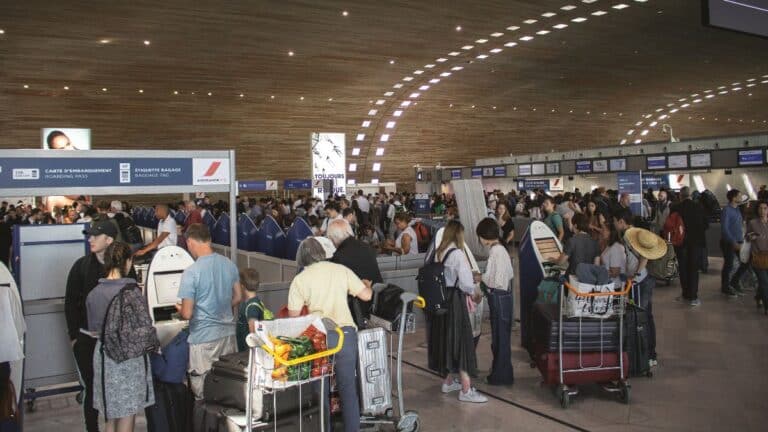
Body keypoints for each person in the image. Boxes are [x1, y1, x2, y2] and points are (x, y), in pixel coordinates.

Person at [288, 238, 373, 432]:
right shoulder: (340, 270)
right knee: (348, 388)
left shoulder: (300, 279)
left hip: (319, 337)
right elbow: (366, 295)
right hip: (346, 335)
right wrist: (366, 284)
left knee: (321, 390)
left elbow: (294, 317)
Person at [87, 242, 155, 432]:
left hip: (103, 357)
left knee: (110, 414)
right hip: (128, 360)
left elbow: (94, 331)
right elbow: (145, 327)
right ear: (128, 261)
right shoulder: (132, 292)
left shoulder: (93, 294)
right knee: (127, 413)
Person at [65, 220, 125, 432]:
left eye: (94, 236)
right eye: (89, 235)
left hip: (116, 342)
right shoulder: (80, 267)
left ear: (108, 240)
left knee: (115, 389)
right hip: (87, 340)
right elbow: (70, 303)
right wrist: (74, 337)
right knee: (92, 388)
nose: (90, 239)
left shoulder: (123, 267)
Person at [175, 224, 242, 399]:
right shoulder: (229, 264)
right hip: (228, 336)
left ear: (189, 242)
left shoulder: (191, 272)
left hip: (203, 340)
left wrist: (180, 309)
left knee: (204, 393)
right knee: (228, 389)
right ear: (209, 240)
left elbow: (187, 314)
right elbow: (238, 297)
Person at [427, 220, 486, 403]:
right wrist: (475, 292)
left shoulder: (440, 253)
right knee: (462, 342)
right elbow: (467, 284)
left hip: (443, 301)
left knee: (448, 341)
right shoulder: (458, 254)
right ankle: (466, 390)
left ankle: (448, 382)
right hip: (456, 302)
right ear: (458, 234)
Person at [618, 213, 663, 367]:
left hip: (640, 282)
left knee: (642, 318)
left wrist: (635, 275)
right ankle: (648, 353)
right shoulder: (636, 234)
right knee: (645, 317)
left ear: (621, 221)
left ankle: (647, 354)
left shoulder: (631, 237)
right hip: (643, 280)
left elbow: (643, 257)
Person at [475, 218, 514, 386]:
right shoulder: (501, 250)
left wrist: (479, 277)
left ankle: (500, 377)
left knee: (499, 339)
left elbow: (493, 280)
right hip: (504, 297)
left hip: (498, 297)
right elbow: (509, 274)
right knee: (501, 338)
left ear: (484, 237)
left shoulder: (495, 251)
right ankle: (503, 373)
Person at [328, 219, 383, 327]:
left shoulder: (339, 256)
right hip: (376, 301)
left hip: (356, 310)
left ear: (333, 239)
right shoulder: (366, 246)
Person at [671, 187, 708, 306]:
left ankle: (685, 293)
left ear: (680, 196)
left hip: (681, 244)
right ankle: (693, 297)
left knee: (683, 268)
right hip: (696, 243)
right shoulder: (699, 207)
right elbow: (706, 225)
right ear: (690, 195)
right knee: (693, 268)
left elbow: (670, 225)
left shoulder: (675, 207)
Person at [721, 189, 748, 297]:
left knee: (746, 262)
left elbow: (739, 226)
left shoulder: (737, 209)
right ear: (733, 198)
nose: (741, 197)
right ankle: (725, 287)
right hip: (728, 242)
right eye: (739, 196)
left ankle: (734, 282)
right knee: (729, 264)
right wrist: (733, 242)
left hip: (739, 241)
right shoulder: (727, 210)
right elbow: (725, 228)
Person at [236, 268, 271, 352]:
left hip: (248, 352)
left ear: (242, 286)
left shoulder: (251, 307)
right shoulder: (252, 302)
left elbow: (253, 335)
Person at [747, 201, 768, 314]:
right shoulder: (753, 223)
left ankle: (758, 296)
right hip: (758, 256)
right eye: (760, 208)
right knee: (764, 281)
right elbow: (747, 237)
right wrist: (751, 237)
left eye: (765, 208)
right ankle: (767, 306)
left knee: (764, 282)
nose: (763, 211)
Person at [600, 223, 626, 289]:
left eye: (604, 230)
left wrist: (599, 272)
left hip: (614, 286)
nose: (601, 231)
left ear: (610, 232)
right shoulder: (610, 245)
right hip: (607, 284)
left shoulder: (616, 248)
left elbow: (615, 273)